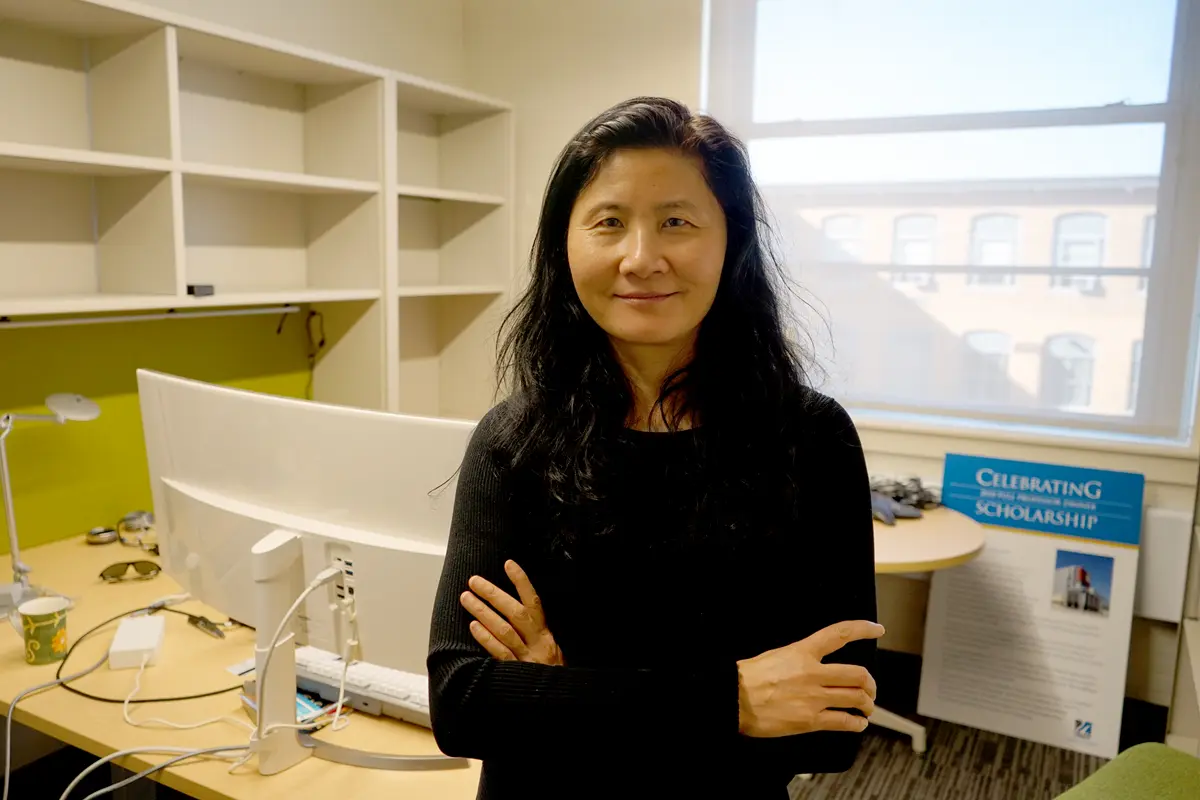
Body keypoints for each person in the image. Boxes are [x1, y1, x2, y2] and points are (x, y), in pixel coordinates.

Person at [427, 96, 882, 799]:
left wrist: (560, 689)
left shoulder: (810, 439)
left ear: (732, 242)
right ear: (564, 243)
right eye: (609, 222)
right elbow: (463, 705)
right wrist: (734, 701)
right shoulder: (513, 440)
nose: (641, 259)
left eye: (676, 221)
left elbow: (831, 725)